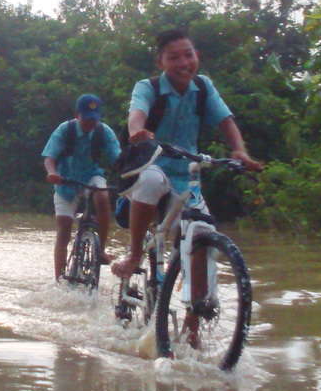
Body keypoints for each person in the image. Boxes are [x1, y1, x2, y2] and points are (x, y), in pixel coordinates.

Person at [111, 29, 263, 281]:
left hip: (187, 174)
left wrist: (239, 150)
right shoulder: (148, 87)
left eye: (188, 55)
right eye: (173, 57)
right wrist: (137, 131)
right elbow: (137, 114)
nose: (183, 63)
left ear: (197, 56)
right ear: (161, 62)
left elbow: (225, 121)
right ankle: (135, 254)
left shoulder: (203, 87)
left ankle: (195, 314)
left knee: (204, 236)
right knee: (152, 181)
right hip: (151, 164)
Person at [42, 94, 121, 281]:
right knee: (64, 228)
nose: (90, 124)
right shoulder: (65, 129)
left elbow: (118, 159)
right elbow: (49, 158)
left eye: (93, 120)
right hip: (65, 180)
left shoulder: (104, 132)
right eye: (86, 119)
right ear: (78, 115)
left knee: (102, 197)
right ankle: (59, 279)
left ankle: (100, 249)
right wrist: (52, 173)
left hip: (91, 175)